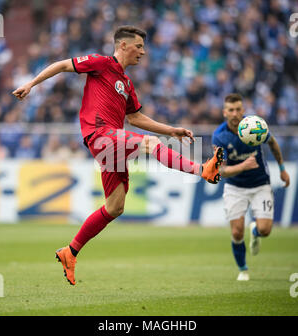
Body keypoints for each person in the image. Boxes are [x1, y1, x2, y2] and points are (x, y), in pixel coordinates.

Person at [13, 25, 223, 286]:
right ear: (123, 45)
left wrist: (172, 130)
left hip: (113, 142)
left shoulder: (126, 82)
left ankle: (71, 251)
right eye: (139, 46)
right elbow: (62, 65)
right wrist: (31, 84)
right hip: (99, 134)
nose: (143, 52)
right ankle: (203, 169)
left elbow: (135, 117)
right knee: (149, 144)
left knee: (115, 207)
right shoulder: (100, 63)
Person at [212, 93, 290, 281]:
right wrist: (242, 166)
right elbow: (220, 170)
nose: (235, 113)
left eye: (238, 109)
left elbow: (272, 143)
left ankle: (255, 231)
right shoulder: (219, 136)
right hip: (235, 187)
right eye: (231, 110)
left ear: (243, 110)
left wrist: (281, 168)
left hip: (260, 184)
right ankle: (243, 269)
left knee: (265, 230)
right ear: (225, 112)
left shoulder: (255, 126)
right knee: (237, 231)